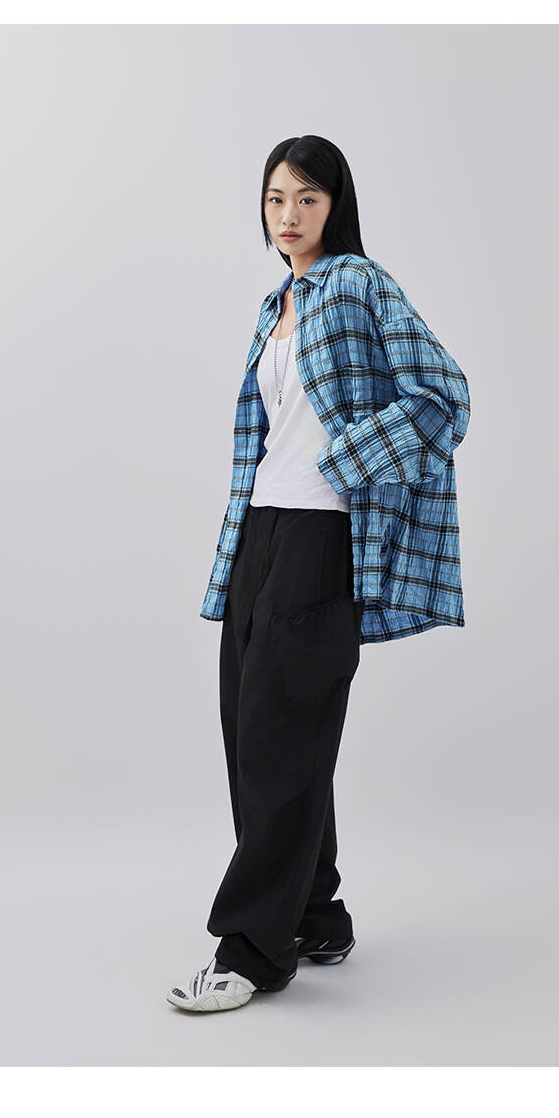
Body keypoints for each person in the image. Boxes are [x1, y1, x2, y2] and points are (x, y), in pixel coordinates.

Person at [169, 132, 469, 1021]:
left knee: (277, 738)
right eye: (276, 198)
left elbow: (443, 395)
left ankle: (253, 951)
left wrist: (346, 463)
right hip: (260, 532)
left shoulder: (359, 284)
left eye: (307, 197)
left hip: (320, 534)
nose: (289, 215)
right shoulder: (277, 303)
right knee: (255, 732)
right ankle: (313, 916)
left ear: (336, 204)